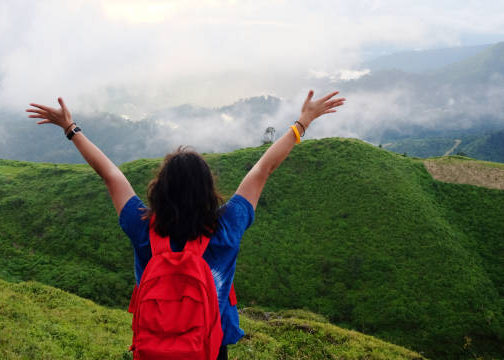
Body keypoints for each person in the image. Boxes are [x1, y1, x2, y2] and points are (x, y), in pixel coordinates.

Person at [26, 90, 345, 359]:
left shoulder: (142, 229)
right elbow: (263, 169)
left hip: (155, 346)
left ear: (159, 189)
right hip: (208, 345)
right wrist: (303, 123)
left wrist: (70, 129)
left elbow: (110, 174)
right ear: (209, 191)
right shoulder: (228, 226)